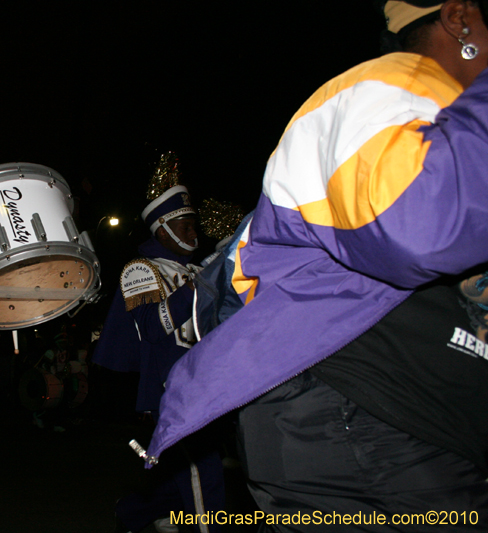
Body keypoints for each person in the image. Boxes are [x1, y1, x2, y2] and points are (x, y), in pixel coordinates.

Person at [146, 1, 488, 530]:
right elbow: (415, 229)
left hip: (408, 415)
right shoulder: (388, 86)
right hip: (361, 410)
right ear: (460, 19)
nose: (192, 231)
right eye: (182, 224)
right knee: (193, 487)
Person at [93, 155, 225, 533]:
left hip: (206, 385)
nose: (195, 233)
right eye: (186, 225)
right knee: (204, 473)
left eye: (195, 224)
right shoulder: (140, 269)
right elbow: (154, 327)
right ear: (163, 229)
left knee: (182, 474)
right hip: (173, 392)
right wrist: (199, 287)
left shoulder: (197, 269)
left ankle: (134, 512)